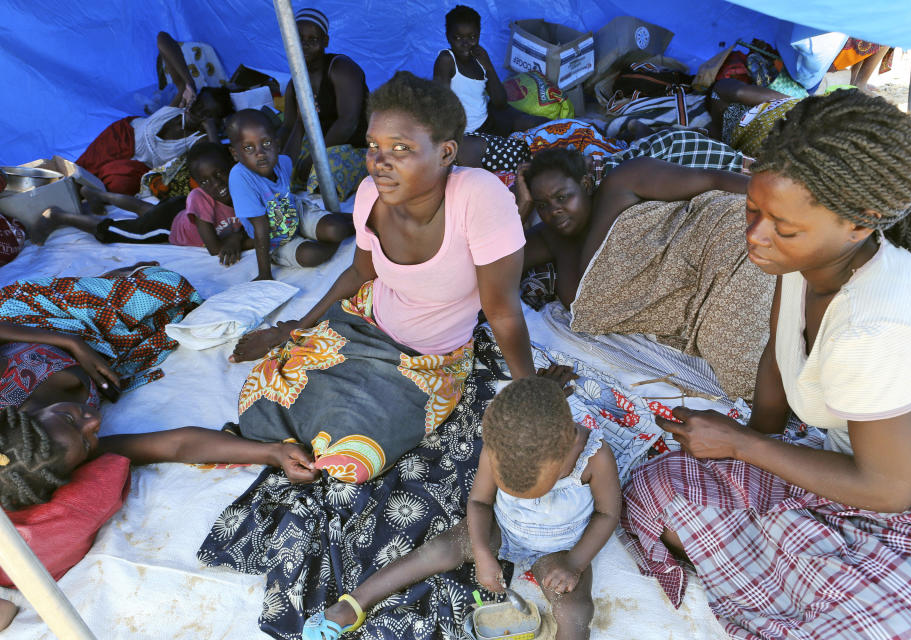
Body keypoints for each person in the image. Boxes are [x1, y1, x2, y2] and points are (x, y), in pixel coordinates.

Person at [620, 90, 911, 640]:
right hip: (848, 474)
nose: (755, 236)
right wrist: (744, 460)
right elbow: (776, 363)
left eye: (783, 227)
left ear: (859, 223)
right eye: (755, 210)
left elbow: (890, 491)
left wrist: (741, 447)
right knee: (658, 489)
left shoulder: (876, 325)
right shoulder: (810, 260)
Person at [227, 71, 536, 483]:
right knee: (257, 403)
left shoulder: (479, 198)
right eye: (373, 146)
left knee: (350, 461)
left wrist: (532, 394)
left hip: (427, 359)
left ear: (446, 153)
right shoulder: (372, 195)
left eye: (401, 148)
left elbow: (503, 312)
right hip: (364, 321)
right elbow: (360, 270)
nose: (379, 161)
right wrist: (296, 327)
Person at [302, 376, 620, 640]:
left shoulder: (595, 456)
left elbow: (607, 513)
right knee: (438, 550)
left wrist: (575, 563)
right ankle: (355, 602)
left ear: (563, 453)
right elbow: (481, 501)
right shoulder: (499, 446)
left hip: (561, 547)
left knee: (576, 612)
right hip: (503, 526)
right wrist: (482, 552)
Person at [0, 401, 317, 630]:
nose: (92, 424)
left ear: (27, 409)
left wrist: (272, 452)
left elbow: (177, 444)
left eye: (69, 418)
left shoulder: (43, 446)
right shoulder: (50, 462)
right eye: (86, 439)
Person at [518, 147, 772, 400]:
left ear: (585, 184)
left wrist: (779, 205)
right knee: (749, 381)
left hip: (725, 240)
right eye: (542, 205)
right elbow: (489, 263)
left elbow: (711, 179)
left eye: (562, 197)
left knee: (754, 374)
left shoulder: (621, 182)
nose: (554, 210)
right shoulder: (550, 239)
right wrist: (522, 206)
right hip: (699, 309)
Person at [0, 263, 202, 409]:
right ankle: (107, 281)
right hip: (102, 354)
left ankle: (111, 280)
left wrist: (71, 342)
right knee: (176, 316)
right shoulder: (33, 445)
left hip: (32, 317)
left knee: (172, 286)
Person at [32, 143, 252, 264]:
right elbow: (215, 248)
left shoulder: (244, 187)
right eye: (205, 180)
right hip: (170, 227)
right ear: (196, 183)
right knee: (123, 230)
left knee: (145, 209)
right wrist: (237, 238)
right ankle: (60, 215)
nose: (217, 183)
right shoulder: (203, 199)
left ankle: (100, 195)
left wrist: (237, 236)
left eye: (221, 173)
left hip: (178, 209)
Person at [226, 109, 354, 280]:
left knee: (336, 229)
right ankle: (337, 234)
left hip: (295, 213)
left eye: (266, 143)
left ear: (276, 144)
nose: (260, 153)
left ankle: (360, 221)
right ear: (235, 154)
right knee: (311, 256)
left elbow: (291, 155)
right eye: (248, 147)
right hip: (275, 240)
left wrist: (300, 123)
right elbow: (260, 227)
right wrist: (265, 274)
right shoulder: (240, 177)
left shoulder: (278, 162)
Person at [278, 8, 370, 201]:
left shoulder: (341, 68)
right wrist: (276, 154)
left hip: (354, 146)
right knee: (280, 170)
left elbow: (348, 122)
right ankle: (285, 218)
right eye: (299, 39)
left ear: (325, 42)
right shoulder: (295, 83)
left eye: (313, 40)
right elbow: (289, 126)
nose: (304, 45)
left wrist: (315, 158)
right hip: (317, 143)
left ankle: (326, 219)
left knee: (322, 173)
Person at [75, 86, 234, 195]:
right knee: (79, 171)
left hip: (136, 166)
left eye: (206, 113)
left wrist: (211, 128)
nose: (197, 111)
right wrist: (188, 82)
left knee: (118, 184)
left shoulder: (200, 139)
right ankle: (70, 187)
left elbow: (218, 163)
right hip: (124, 135)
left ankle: (88, 194)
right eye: (199, 104)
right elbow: (162, 39)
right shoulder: (179, 104)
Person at [433, 5, 544, 137]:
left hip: (487, 120)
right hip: (468, 131)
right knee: (512, 145)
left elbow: (500, 102)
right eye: (458, 38)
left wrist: (488, 66)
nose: (466, 43)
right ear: (448, 37)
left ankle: (567, 131)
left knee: (533, 122)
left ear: (479, 34)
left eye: (472, 37)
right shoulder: (447, 60)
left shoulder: (479, 59)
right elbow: (440, 102)